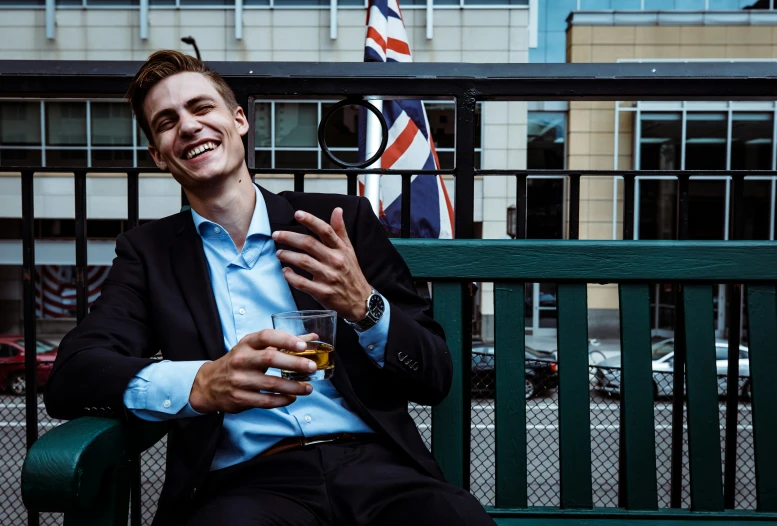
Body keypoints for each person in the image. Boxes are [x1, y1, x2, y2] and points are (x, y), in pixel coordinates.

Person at [44, 50, 496, 526]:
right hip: (248, 483)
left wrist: (365, 307)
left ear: (238, 120)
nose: (190, 127)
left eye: (202, 108)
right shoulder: (149, 254)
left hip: (375, 468)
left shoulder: (340, 223)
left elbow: (436, 374)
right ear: (158, 155)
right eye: (167, 122)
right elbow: (74, 374)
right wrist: (201, 384)